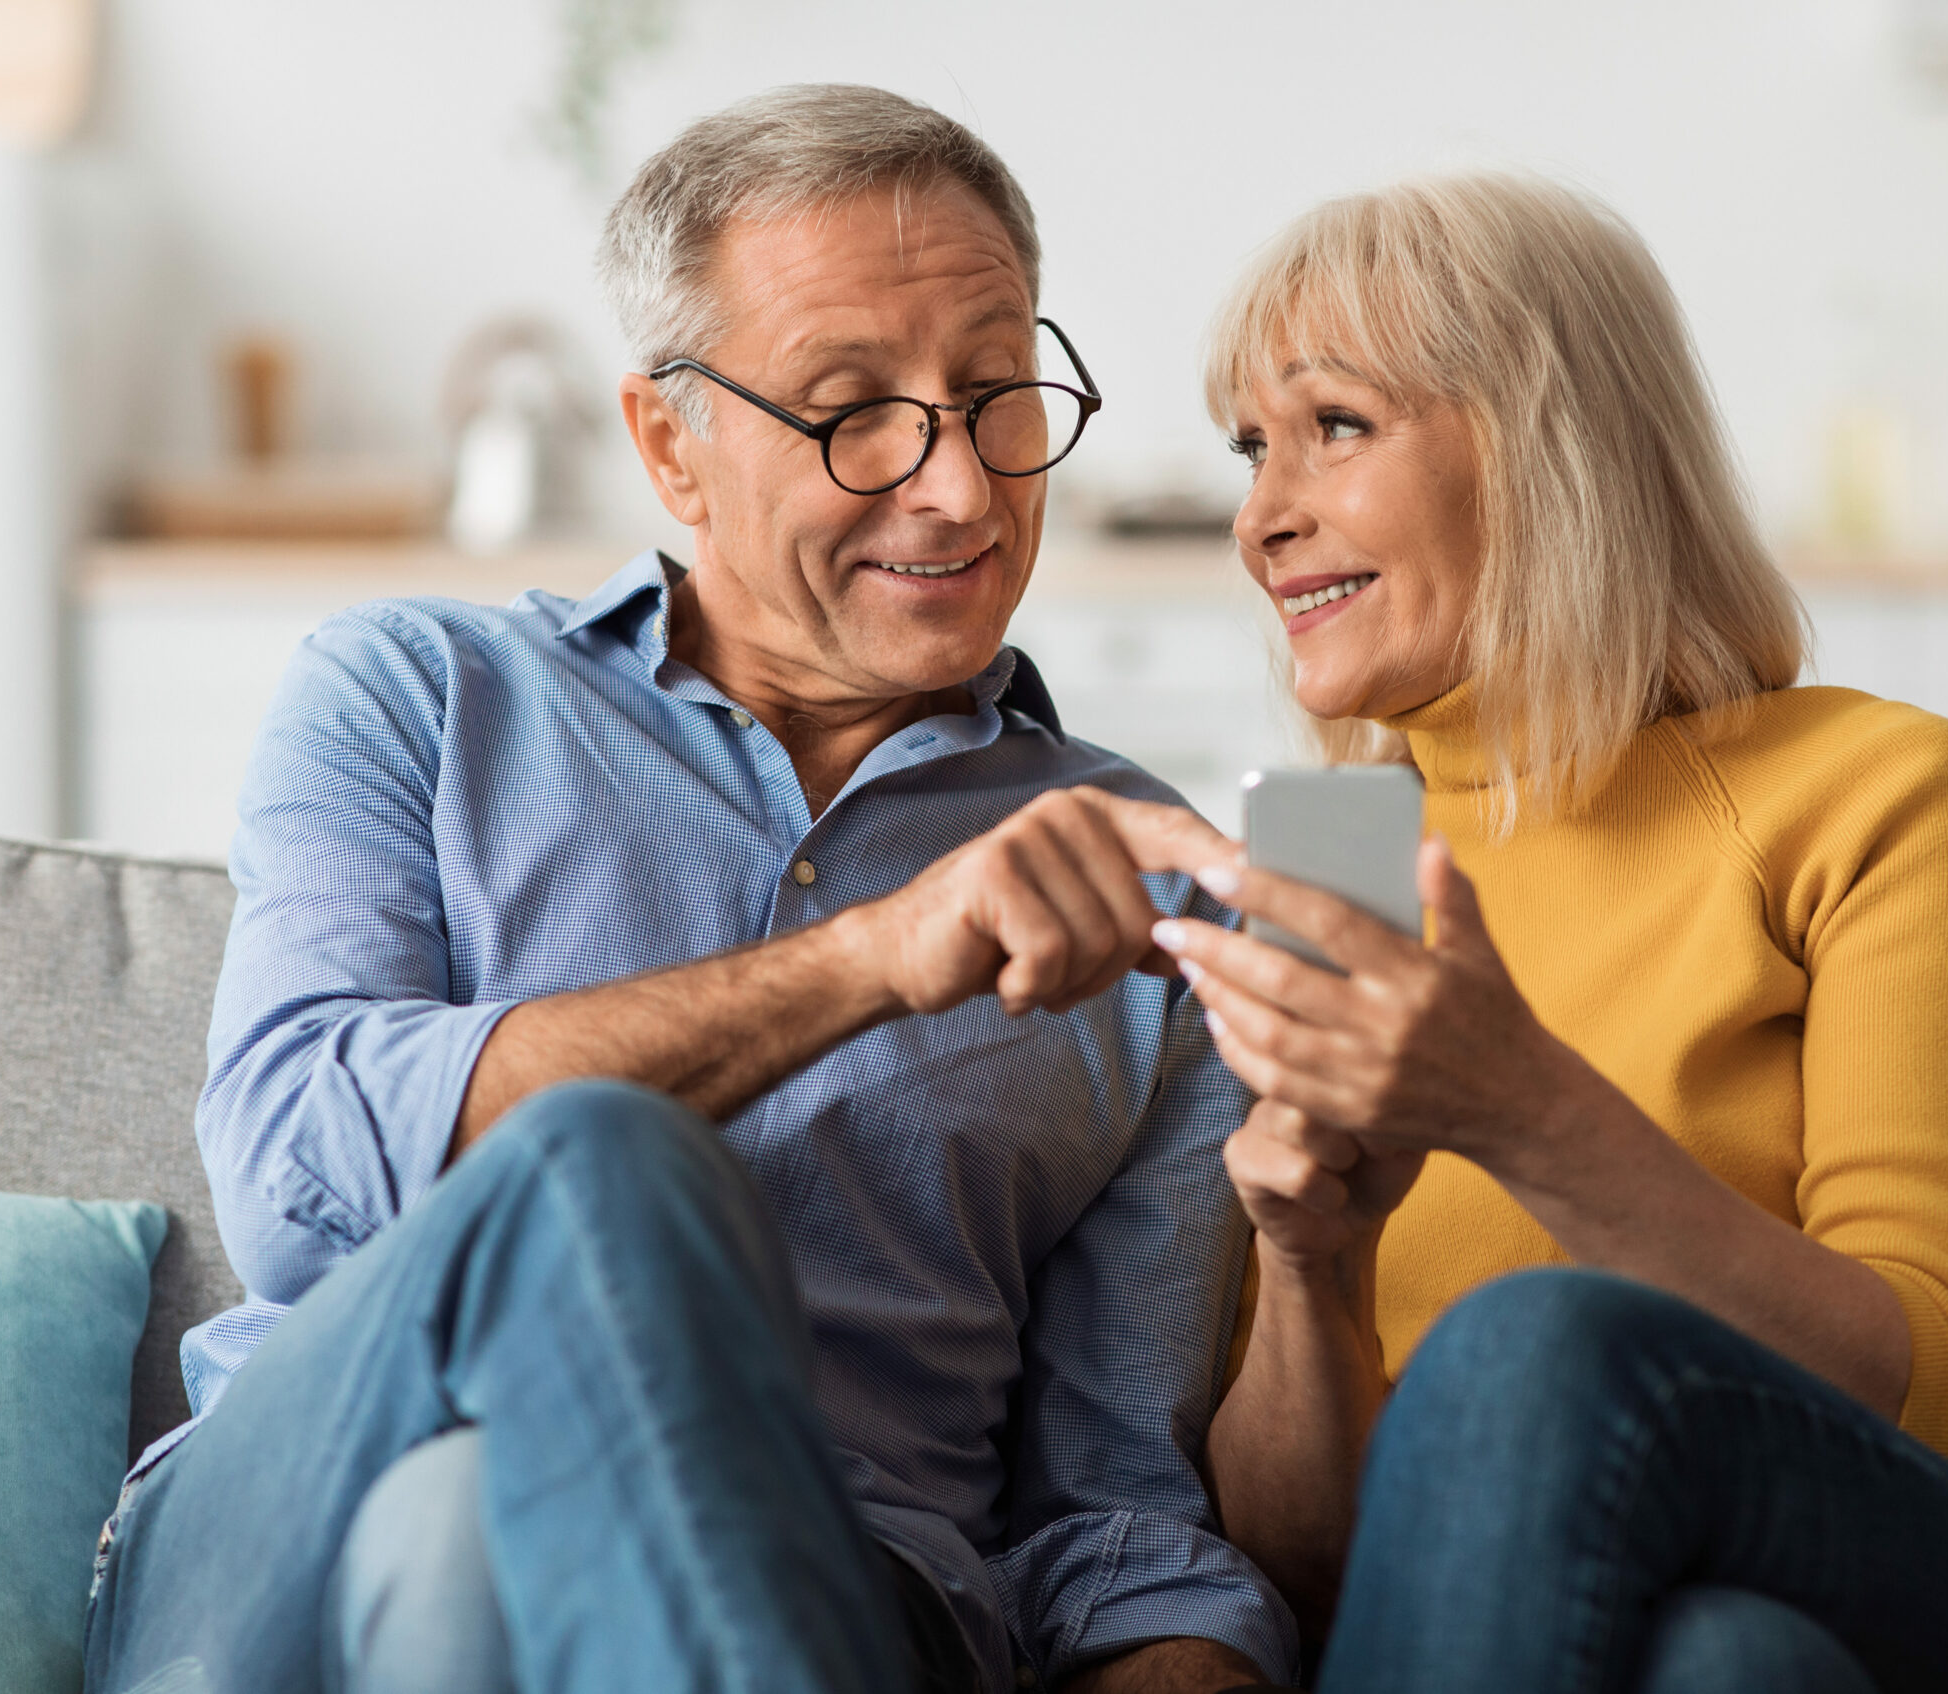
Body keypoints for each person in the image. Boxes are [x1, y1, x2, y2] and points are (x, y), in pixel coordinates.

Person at [82, 85, 1296, 1694]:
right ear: (672, 441)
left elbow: (1112, 1511)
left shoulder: (1154, 894)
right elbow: (299, 1163)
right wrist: (873, 959)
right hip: (287, 1527)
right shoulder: (417, 698)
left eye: (998, 392)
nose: (957, 486)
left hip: (838, 1582)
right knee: (590, 1164)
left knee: (463, 1543)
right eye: (853, 409)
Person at [1152, 173, 1948, 1693]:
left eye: (1334, 426)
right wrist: (1307, 1264)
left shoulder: (1870, 786)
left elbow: (1928, 1398)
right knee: (1730, 1666)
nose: (1263, 516)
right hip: (1649, 1624)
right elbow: (1320, 1569)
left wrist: (1519, 1106)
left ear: (1548, 443)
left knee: (1532, 1347)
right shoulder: (1333, 868)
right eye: (1250, 450)